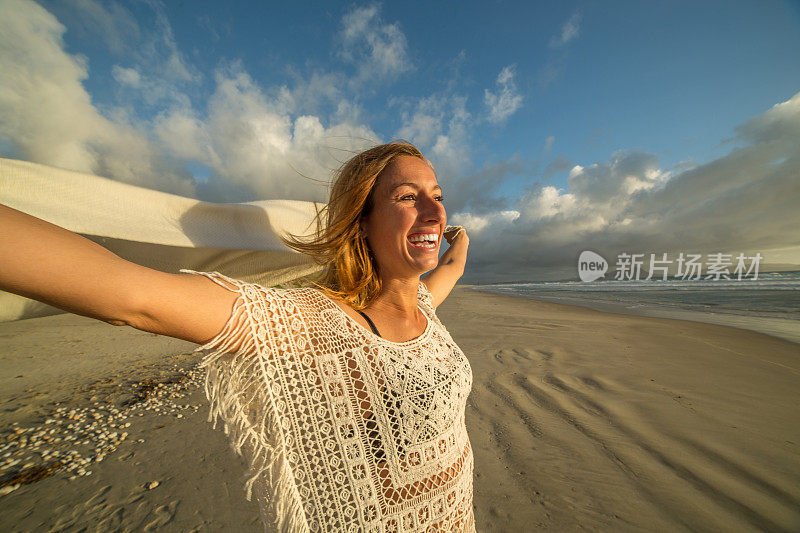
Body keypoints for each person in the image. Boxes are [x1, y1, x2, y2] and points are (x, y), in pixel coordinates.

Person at [0, 141, 473, 532]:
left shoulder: (425, 306)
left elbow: (452, 268)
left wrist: (461, 239)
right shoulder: (319, 325)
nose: (433, 210)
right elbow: (133, 297)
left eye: (438, 195)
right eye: (408, 197)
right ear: (362, 220)